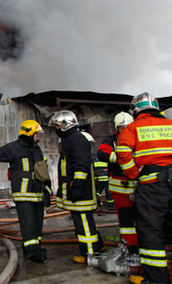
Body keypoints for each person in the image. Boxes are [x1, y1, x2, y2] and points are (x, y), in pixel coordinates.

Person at [115, 92, 172, 284]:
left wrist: (133, 173)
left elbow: (122, 152)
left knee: (151, 231)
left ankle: (157, 278)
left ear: (135, 110)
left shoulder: (132, 129)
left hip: (150, 187)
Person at [0, 120, 51, 263]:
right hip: (23, 194)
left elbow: (43, 171)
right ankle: (32, 252)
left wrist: (47, 189)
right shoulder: (13, 148)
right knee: (28, 224)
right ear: (29, 134)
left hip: (38, 193)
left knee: (37, 224)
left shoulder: (36, 149)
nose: (37, 136)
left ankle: (35, 247)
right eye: (35, 134)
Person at [48, 110, 105, 264]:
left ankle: (91, 255)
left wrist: (78, 186)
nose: (56, 130)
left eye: (58, 126)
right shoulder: (70, 139)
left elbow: (81, 165)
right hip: (76, 190)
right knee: (84, 222)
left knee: (84, 224)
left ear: (65, 126)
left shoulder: (77, 140)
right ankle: (98, 246)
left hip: (81, 191)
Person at [97, 111, 138, 254]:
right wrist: (123, 157)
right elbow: (102, 153)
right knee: (126, 220)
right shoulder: (111, 141)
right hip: (120, 187)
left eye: (128, 126)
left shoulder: (139, 138)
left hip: (140, 186)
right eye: (122, 127)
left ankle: (144, 242)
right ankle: (130, 245)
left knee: (143, 218)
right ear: (116, 128)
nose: (125, 130)